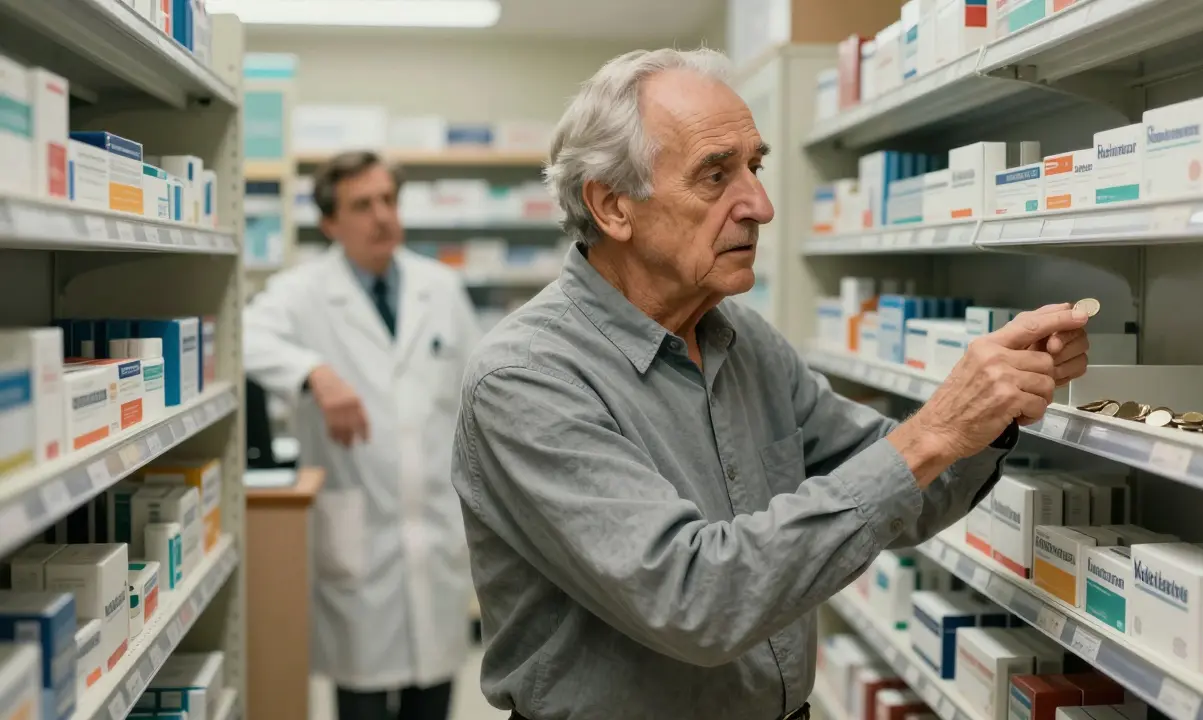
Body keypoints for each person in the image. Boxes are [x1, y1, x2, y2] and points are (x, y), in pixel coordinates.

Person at [451, 49, 1091, 720]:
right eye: (715, 175)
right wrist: (934, 432)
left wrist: (994, 405)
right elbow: (695, 600)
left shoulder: (742, 341)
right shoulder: (528, 378)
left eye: (754, 167)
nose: (759, 205)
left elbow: (907, 494)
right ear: (613, 206)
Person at [245, 151, 481, 720]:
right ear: (330, 222)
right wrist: (314, 374)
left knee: (434, 698)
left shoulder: (441, 288)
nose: (382, 216)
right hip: (358, 536)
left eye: (388, 200)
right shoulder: (301, 292)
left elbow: (480, 393)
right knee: (361, 699)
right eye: (362, 205)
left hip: (434, 534)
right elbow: (243, 335)